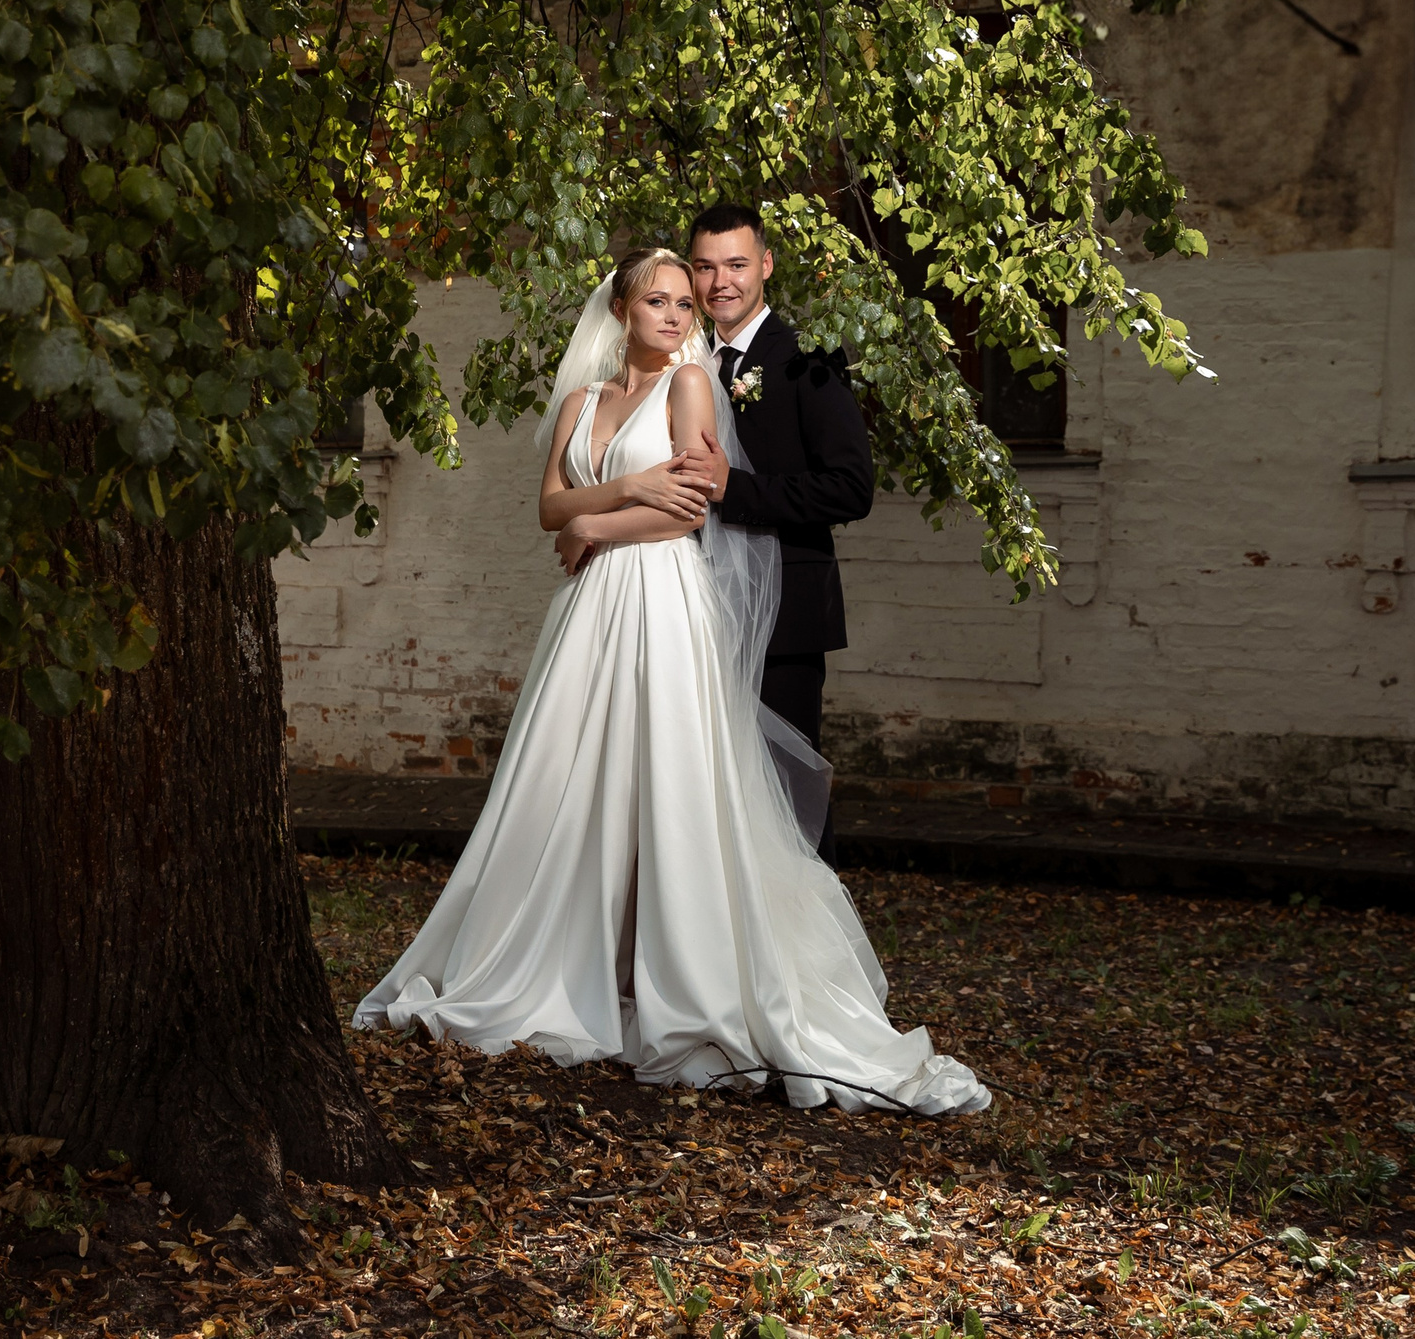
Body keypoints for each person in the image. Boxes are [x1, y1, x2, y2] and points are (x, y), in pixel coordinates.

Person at [351, 247, 987, 1114]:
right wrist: (627, 487)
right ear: (621, 309)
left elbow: (687, 511)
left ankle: (678, 976)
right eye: (660, 300)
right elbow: (546, 505)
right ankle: (570, 960)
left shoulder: (690, 385)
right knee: (574, 779)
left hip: (661, 596)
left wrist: (597, 527)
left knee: (669, 781)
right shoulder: (581, 400)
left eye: (686, 303)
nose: (679, 315)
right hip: (589, 610)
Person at [686, 201, 875, 866]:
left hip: (785, 618)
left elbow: (851, 487)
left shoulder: (807, 357)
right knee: (708, 792)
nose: (721, 282)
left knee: (789, 795)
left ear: (765, 265)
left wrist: (734, 489)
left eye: (736, 264)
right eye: (705, 267)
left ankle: (813, 933)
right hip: (696, 609)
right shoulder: (686, 363)